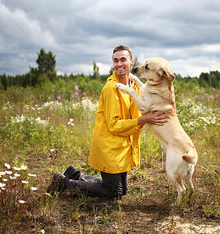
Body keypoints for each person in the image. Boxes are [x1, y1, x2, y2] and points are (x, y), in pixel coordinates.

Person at [47, 45, 169, 199]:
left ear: (131, 62)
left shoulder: (133, 86)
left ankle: (75, 175)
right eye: (115, 60)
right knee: (114, 192)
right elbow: (115, 125)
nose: (119, 64)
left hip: (121, 147)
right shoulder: (112, 88)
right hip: (109, 147)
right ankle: (65, 183)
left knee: (121, 190)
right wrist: (144, 119)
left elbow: (138, 114)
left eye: (123, 60)